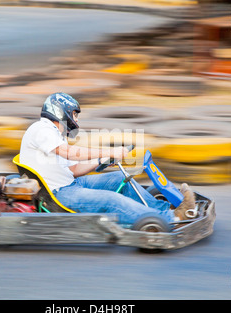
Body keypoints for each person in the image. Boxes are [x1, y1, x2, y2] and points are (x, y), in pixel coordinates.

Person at [19, 92, 196, 229]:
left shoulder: (55, 135)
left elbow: (73, 170)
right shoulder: (41, 129)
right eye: (74, 114)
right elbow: (69, 153)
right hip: (58, 194)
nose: (76, 119)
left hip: (71, 183)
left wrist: (102, 158)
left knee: (120, 179)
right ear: (60, 111)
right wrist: (109, 150)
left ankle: (166, 210)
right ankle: (172, 219)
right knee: (111, 200)